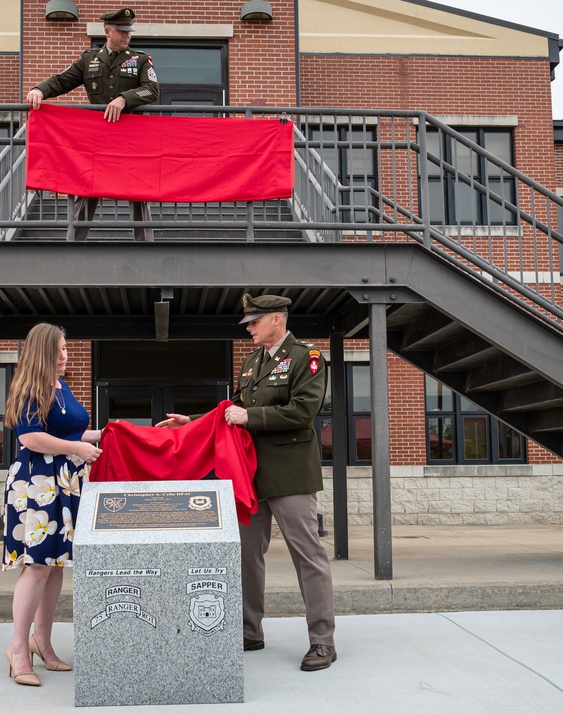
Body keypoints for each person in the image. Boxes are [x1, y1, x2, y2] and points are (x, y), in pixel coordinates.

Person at [157, 294, 337, 671]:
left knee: (308, 556)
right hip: (251, 477)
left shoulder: (308, 357)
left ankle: (322, 642)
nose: (249, 328)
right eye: (248, 323)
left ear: (276, 319)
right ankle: (248, 631)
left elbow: (304, 411)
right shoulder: (253, 362)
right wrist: (193, 422)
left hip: (290, 475)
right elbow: (230, 411)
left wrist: (250, 416)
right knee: (245, 557)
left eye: (254, 322)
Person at [2, 323, 103, 686]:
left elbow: (70, 433)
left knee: (57, 565)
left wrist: (108, 434)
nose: (64, 356)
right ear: (44, 352)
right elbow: (30, 436)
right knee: (38, 565)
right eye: (59, 350)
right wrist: (78, 449)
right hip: (38, 483)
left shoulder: (61, 387)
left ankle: (42, 643)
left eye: (66, 349)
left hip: (64, 483)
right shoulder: (30, 386)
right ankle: (17, 649)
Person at [26, 7, 159, 241]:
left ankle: (145, 244)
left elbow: (152, 89)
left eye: (129, 31)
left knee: (138, 189)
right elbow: (63, 80)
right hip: (99, 137)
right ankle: (75, 244)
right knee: (88, 184)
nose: (127, 35)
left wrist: (124, 99)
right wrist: (40, 89)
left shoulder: (140, 60)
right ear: (107, 31)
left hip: (130, 138)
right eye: (121, 31)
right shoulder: (89, 60)